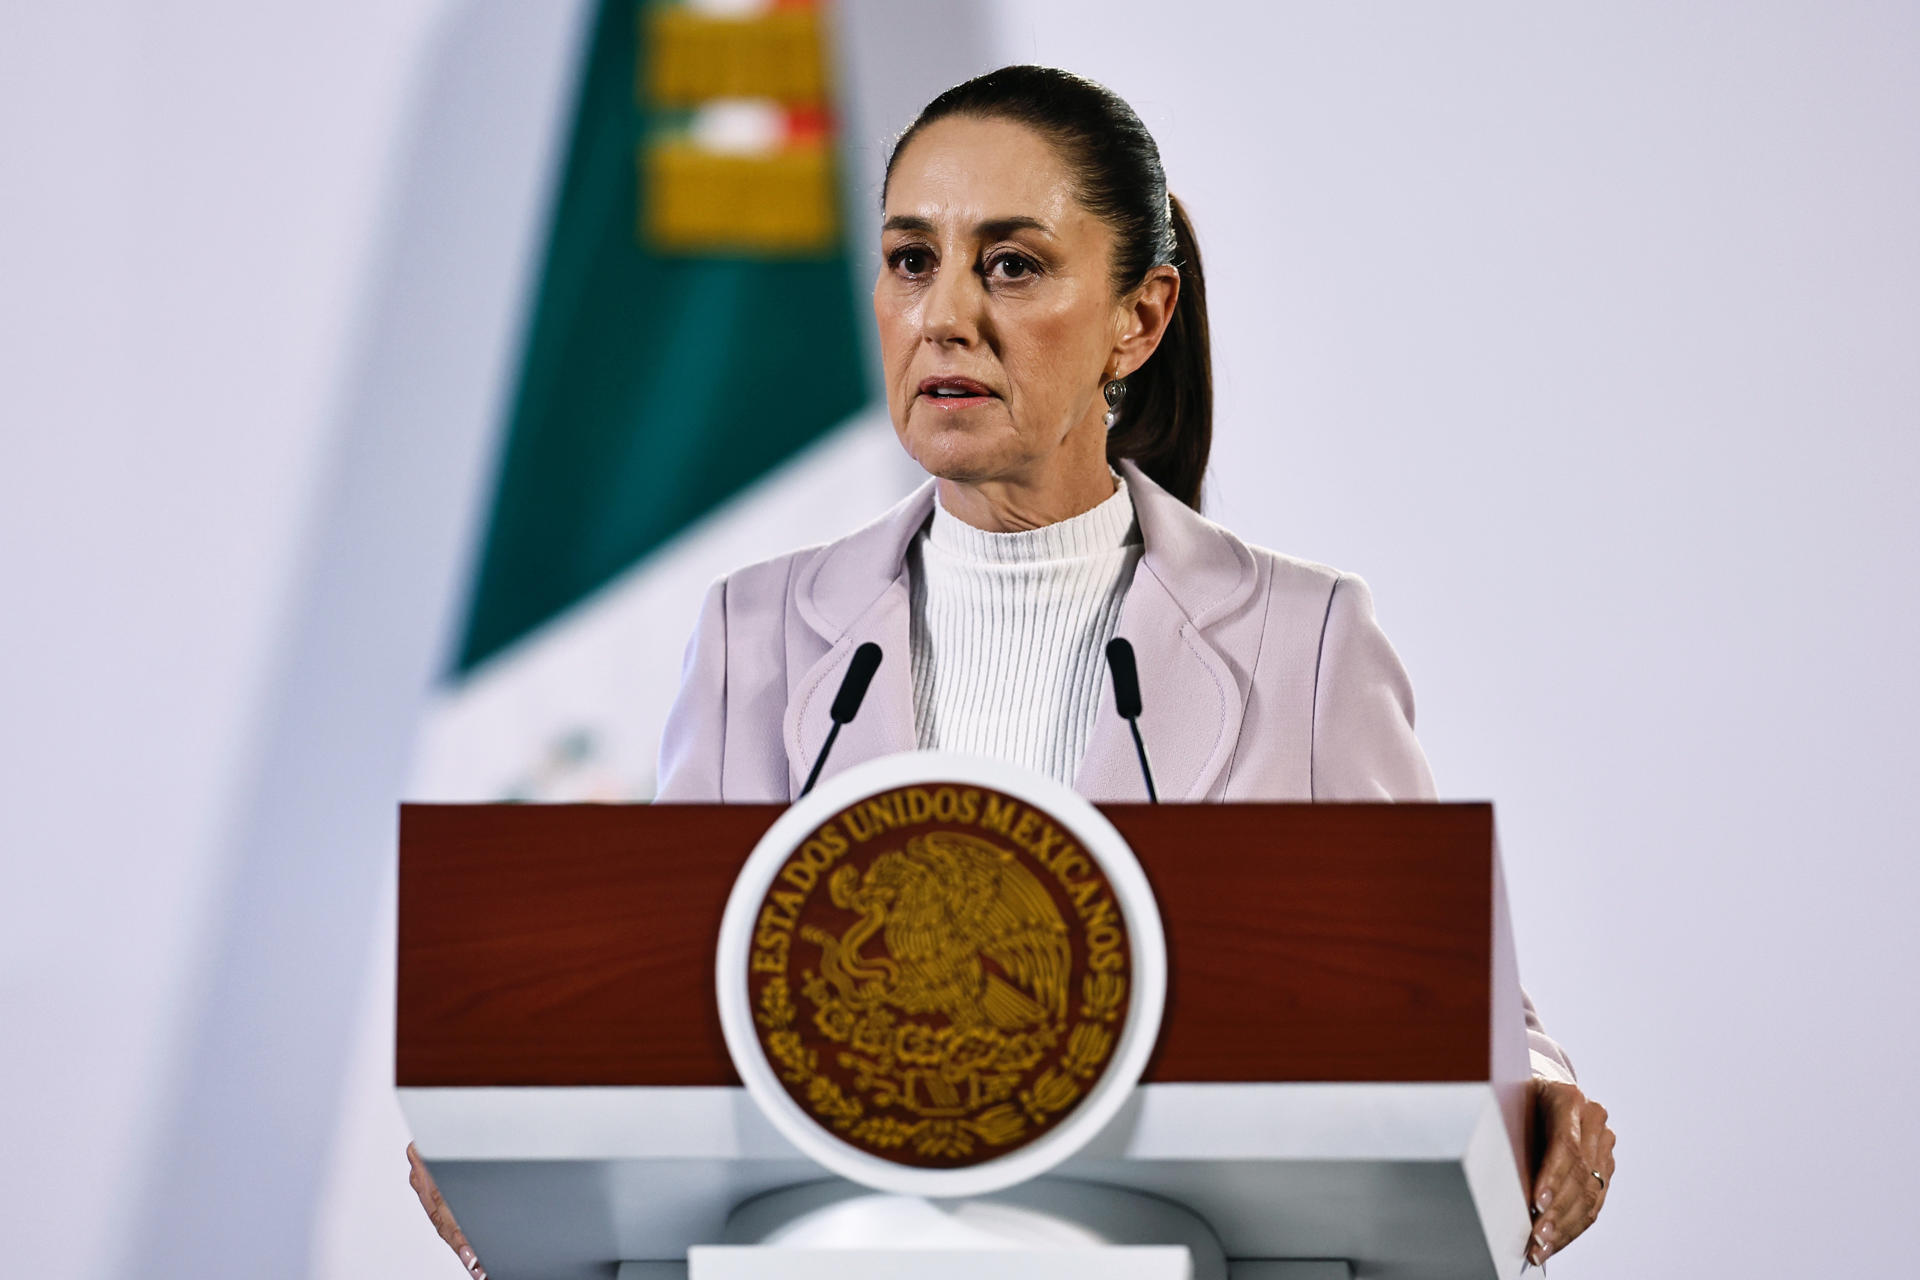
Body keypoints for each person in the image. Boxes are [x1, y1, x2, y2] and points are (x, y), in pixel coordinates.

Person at [415, 65, 1615, 1273]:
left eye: (1012, 264)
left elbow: (1451, 1004)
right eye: (908, 260)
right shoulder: (758, 630)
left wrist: (1546, 1093)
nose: (944, 316)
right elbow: (659, 1003)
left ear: (1137, 320)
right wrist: (511, 1104)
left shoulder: (1300, 641)